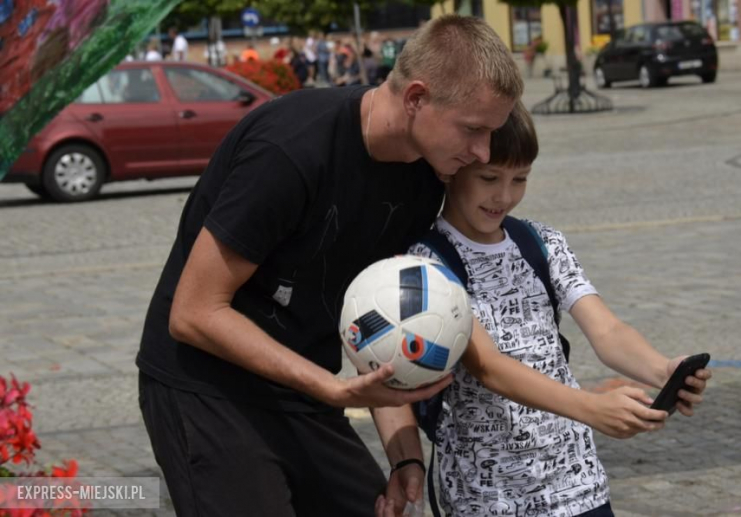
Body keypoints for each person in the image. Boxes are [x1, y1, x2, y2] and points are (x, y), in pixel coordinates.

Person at [136, 15, 523, 517]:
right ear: (416, 99)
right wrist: (331, 389)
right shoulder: (292, 149)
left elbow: (382, 325)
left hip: (302, 386)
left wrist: (405, 457)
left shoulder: (425, 178)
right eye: (473, 129)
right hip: (205, 388)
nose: (482, 152)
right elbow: (193, 313)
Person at [406, 104, 711, 516]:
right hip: (488, 498)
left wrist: (663, 370)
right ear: (451, 169)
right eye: (489, 178)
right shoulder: (428, 262)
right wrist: (591, 408)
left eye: (520, 179)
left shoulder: (542, 242)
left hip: (576, 483)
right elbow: (488, 366)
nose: (504, 196)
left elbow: (606, 331)